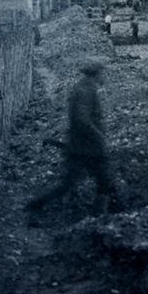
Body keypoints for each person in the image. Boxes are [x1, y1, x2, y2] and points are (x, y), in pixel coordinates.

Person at [26, 61, 116, 215]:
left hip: (83, 146)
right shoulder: (85, 91)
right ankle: (100, 218)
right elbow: (81, 119)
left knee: (76, 183)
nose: (105, 76)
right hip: (86, 147)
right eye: (103, 73)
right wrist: (99, 136)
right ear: (96, 74)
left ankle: (36, 204)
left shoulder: (86, 88)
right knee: (101, 181)